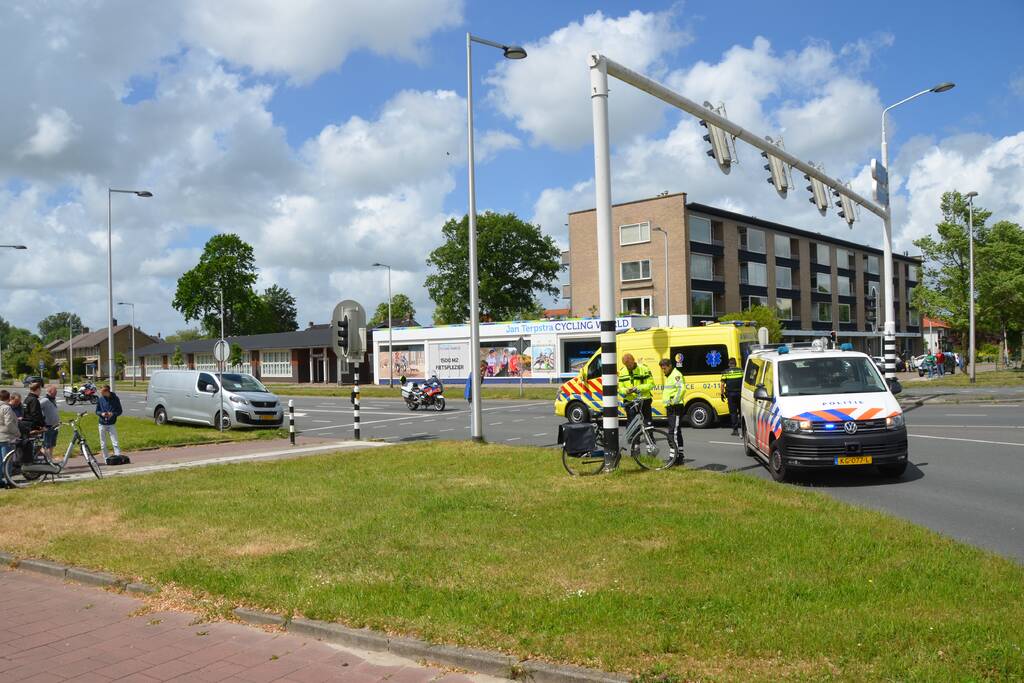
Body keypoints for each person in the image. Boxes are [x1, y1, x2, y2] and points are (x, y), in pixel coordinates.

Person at [659, 359, 685, 461]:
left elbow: (681, 389)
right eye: (662, 369)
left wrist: (673, 401)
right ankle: (679, 456)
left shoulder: (676, 375)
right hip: (672, 408)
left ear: (670, 366)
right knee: (676, 432)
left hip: (675, 407)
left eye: (664, 368)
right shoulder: (670, 375)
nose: (663, 371)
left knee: (672, 433)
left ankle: (673, 458)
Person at [96, 385, 129, 465]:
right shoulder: (100, 399)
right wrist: (102, 414)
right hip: (102, 424)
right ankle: (106, 459)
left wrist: (113, 414)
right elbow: (97, 411)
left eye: (103, 393)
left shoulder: (115, 399)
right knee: (103, 444)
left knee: (115, 442)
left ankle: (118, 459)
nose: (102, 394)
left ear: (107, 392)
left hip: (111, 424)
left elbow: (120, 411)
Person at [618, 353, 654, 426]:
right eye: (626, 365)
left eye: (630, 365)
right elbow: (620, 388)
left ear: (634, 361)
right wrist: (626, 391)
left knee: (648, 423)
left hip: (644, 400)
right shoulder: (622, 371)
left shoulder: (644, 369)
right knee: (632, 424)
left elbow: (651, 385)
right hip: (630, 401)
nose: (629, 367)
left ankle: (650, 437)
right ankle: (633, 438)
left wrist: (638, 388)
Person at [720, 358, 744, 436]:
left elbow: (722, 384)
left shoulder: (725, 372)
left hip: (731, 395)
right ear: (735, 363)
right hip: (740, 394)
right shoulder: (741, 371)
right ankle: (744, 430)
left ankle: (735, 430)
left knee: (733, 413)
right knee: (741, 412)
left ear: (729, 364)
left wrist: (722, 394)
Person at [1, 390, 20, 482]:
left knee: (1, 461)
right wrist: (17, 432)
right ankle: (9, 481)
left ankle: (1, 481)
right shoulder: (6, 408)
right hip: (6, 437)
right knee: (7, 461)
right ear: (8, 398)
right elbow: (8, 423)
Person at [41, 385, 61, 459]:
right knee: (46, 445)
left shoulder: (53, 399)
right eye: (55, 390)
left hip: (55, 426)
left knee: (52, 444)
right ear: (50, 391)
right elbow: (37, 409)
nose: (56, 392)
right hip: (48, 426)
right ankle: (47, 460)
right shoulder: (45, 400)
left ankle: (50, 459)